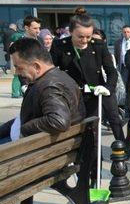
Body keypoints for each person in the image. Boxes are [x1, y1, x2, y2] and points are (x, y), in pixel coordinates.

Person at [0, 37, 85, 204]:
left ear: (37, 66)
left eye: (19, 67)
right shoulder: (59, 78)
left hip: (26, 159)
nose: (17, 72)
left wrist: (23, 129)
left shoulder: (49, 85)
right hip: (41, 154)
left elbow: (58, 120)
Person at [50, 8, 125, 143]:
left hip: (99, 89)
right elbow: (50, 70)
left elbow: (111, 71)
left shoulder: (98, 45)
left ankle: (123, 148)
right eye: (80, 36)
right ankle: (92, 157)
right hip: (75, 93)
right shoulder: (60, 46)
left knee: (114, 118)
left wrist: (108, 87)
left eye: (88, 37)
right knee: (88, 127)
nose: (85, 40)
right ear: (71, 31)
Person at [10, 16, 41, 98]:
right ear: (26, 28)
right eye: (35, 28)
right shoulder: (20, 43)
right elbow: (20, 65)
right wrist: (24, 85)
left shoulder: (40, 40)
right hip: (28, 82)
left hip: (42, 81)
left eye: (39, 28)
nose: (38, 31)